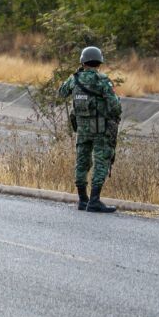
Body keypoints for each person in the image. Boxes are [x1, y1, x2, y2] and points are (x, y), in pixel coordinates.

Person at [58, 46, 122, 213]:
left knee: (82, 161)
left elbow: (61, 92)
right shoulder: (102, 80)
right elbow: (115, 105)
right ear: (99, 62)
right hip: (99, 128)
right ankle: (94, 201)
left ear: (83, 61)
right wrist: (114, 117)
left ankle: (82, 199)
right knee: (101, 160)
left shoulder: (74, 79)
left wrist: (77, 73)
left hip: (82, 128)